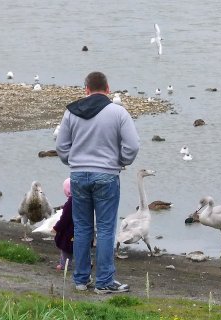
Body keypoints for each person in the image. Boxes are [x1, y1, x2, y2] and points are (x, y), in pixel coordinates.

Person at [56, 71, 140, 294]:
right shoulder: (118, 112)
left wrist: (73, 162)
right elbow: (132, 146)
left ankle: (81, 280)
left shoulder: (71, 112)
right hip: (106, 176)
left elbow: (61, 147)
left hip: (78, 176)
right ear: (108, 88)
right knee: (105, 229)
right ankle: (104, 282)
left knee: (82, 228)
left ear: (86, 90)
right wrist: (120, 161)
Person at [52, 178, 73, 270]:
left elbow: (65, 218)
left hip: (70, 231)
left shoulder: (70, 203)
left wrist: (56, 228)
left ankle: (64, 265)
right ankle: (86, 264)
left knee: (65, 248)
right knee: (82, 248)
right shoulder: (83, 201)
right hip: (81, 230)